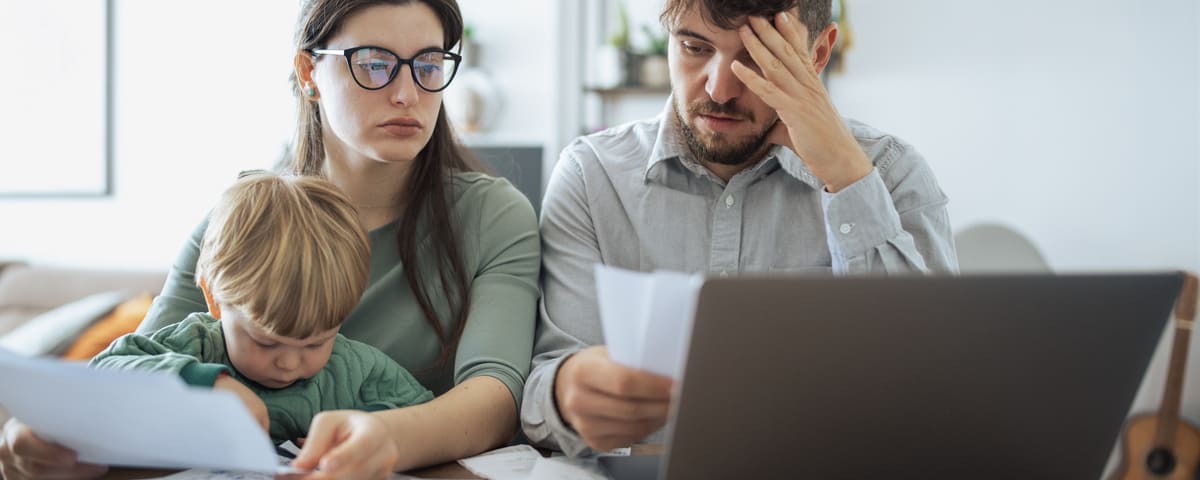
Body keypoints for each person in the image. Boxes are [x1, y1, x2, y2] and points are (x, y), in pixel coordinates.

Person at [0, 0, 540, 478]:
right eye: (375, 64)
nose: (407, 94)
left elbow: (496, 395)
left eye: (428, 65)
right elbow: (135, 376)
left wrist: (387, 439)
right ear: (309, 71)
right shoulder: (238, 220)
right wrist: (49, 431)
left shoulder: (491, 215)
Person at [521, 0, 958, 457]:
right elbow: (539, 404)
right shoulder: (593, 176)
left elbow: (936, 399)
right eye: (694, 47)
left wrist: (847, 178)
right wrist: (567, 392)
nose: (720, 89)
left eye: (756, 57)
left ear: (817, 54)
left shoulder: (891, 173)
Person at [90, 172, 435, 444]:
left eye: (316, 343)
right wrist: (206, 383)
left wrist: (365, 431)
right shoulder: (198, 344)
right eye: (267, 342)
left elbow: (422, 414)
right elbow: (102, 374)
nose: (288, 363)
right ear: (215, 299)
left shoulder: (356, 369)